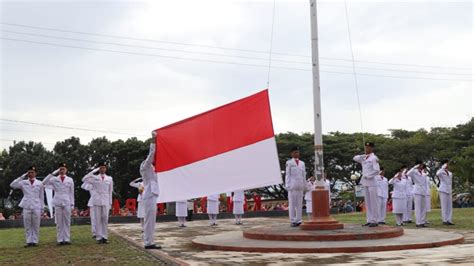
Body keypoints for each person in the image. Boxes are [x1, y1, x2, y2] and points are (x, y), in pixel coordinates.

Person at [10, 166, 44, 247]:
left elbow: (41, 196)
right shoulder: (23, 182)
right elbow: (12, 185)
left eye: (32, 172)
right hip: (26, 205)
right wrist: (22, 176)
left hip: (36, 205)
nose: (30, 174)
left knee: (35, 224)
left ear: (36, 173)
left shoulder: (39, 183)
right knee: (27, 224)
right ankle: (29, 241)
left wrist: (42, 207)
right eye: (29, 172)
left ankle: (35, 241)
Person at [138, 130, 161, 249]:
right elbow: (151, 154)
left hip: (153, 194)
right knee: (149, 220)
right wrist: (154, 141)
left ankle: (150, 241)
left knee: (152, 220)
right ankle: (148, 242)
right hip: (148, 194)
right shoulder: (144, 166)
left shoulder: (153, 167)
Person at [43, 163, 74, 245]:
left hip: (67, 201)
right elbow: (44, 182)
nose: (62, 171)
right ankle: (60, 239)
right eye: (60, 169)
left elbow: (71, 193)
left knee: (67, 221)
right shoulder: (54, 179)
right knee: (59, 221)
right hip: (57, 201)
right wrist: (53, 173)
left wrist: (72, 204)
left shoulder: (70, 180)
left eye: (63, 169)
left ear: (66, 170)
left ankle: (67, 239)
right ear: (58, 170)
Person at [82, 162, 113, 244]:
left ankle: (105, 237)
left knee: (105, 219)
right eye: (100, 168)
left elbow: (110, 191)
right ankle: (99, 237)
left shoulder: (109, 178)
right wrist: (93, 171)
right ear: (98, 169)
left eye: (103, 168)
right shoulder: (94, 177)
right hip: (96, 200)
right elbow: (84, 179)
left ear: (106, 169)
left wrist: (110, 203)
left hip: (105, 200)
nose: (102, 169)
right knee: (98, 219)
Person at [353, 142, 380, 227]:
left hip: (372, 182)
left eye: (368, 148)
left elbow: (377, 170)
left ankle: (375, 220)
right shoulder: (364, 158)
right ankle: (369, 220)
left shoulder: (373, 158)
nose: (366, 149)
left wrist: (368, 176)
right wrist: (362, 156)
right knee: (367, 202)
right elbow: (354, 158)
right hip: (365, 182)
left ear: (372, 148)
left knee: (373, 202)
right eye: (365, 147)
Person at [285, 146, 306, 227]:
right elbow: (287, 175)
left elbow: (304, 175)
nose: (297, 153)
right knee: (292, 204)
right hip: (292, 186)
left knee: (299, 204)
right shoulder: (289, 162)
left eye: (298, 152)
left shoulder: (302, 163)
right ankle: (293, 220)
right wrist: (288, 185)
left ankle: (299, 220)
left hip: (300, 186)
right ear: (291, 153)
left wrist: (304, 186)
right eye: (295, 152)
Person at [407, 162, 429, 228]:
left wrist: (426, 192)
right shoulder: (414, 172)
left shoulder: (423, 173)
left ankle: (422, 222)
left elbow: (425, 184)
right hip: (417, 191)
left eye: (422, 165)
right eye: (420, 165)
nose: (421, 166)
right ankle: (418, 222)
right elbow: (408, 174)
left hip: (423, 191)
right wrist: (414, 167)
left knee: (423, 208)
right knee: (418, 208)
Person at [437, 160, 454, 225]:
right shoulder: (441, 172)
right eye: (447, 164)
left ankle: (449, 220)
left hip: (449, 190)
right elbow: (437, 173)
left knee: (449, 206)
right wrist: (443, 167)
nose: (448, 165)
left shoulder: (450, 173)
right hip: (443, 190)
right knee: (444, 205)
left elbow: (450, 182)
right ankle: (444, 220)